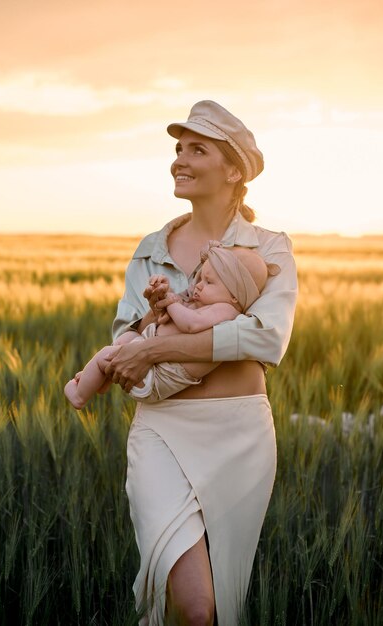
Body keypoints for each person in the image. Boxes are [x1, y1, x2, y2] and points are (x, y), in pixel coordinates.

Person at [105, 101, 298, 626]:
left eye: (197, 149)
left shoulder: (270, 249)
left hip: (240, 437)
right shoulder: (150, 249)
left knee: (223, 606)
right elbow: (125, 342)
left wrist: (158, 346)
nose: (179, 160)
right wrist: (142, 345)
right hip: (161, 433)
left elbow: (265, 338)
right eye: (178, 149)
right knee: (194, 606)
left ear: (234, 169)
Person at [64, 243, 278, 409]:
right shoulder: (205, 303)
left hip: (158, 376)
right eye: (201, 278)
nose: (198, 286)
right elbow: (176, 314)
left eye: (209, 282)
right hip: (150, 351)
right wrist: (162, 296)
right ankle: (99, 381)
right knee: (122, 341)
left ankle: (79, 396)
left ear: (235, 296)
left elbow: (191, 325)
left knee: (106, 354)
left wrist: (172, 301)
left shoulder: (225, 311)